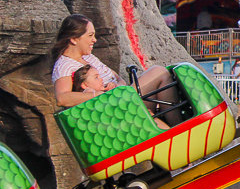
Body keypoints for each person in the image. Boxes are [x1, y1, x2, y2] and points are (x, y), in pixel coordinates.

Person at [51, 14, 181, 126]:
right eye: (90, 35)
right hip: (111, 111)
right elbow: (62, 98)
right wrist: (100, 95)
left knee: (163, 76)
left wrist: (117, 86)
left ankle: (178, 124)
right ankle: (177, 128)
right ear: (74, 39)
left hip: (121, 98)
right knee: (158, 72)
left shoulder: (89, 58)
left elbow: (117, 78)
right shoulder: (64, 65)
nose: (94, 40)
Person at [72, 64, 170, 129]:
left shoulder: (94, 91)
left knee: (149, 115)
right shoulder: (88, 92)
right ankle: (172, 132)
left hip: (122, 118)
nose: (101, 80)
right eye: (96, 77)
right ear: (84, 85)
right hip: (120, 122)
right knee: (151, 118)